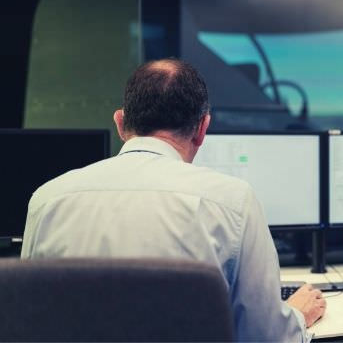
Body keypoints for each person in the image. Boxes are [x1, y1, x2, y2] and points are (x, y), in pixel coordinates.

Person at [21, 58, 325, 342]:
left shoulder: (47, 199)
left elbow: (26, 322)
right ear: (203, 129)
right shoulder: (232, 202)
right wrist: (298, 314)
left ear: (120, 122)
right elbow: (264, 335)